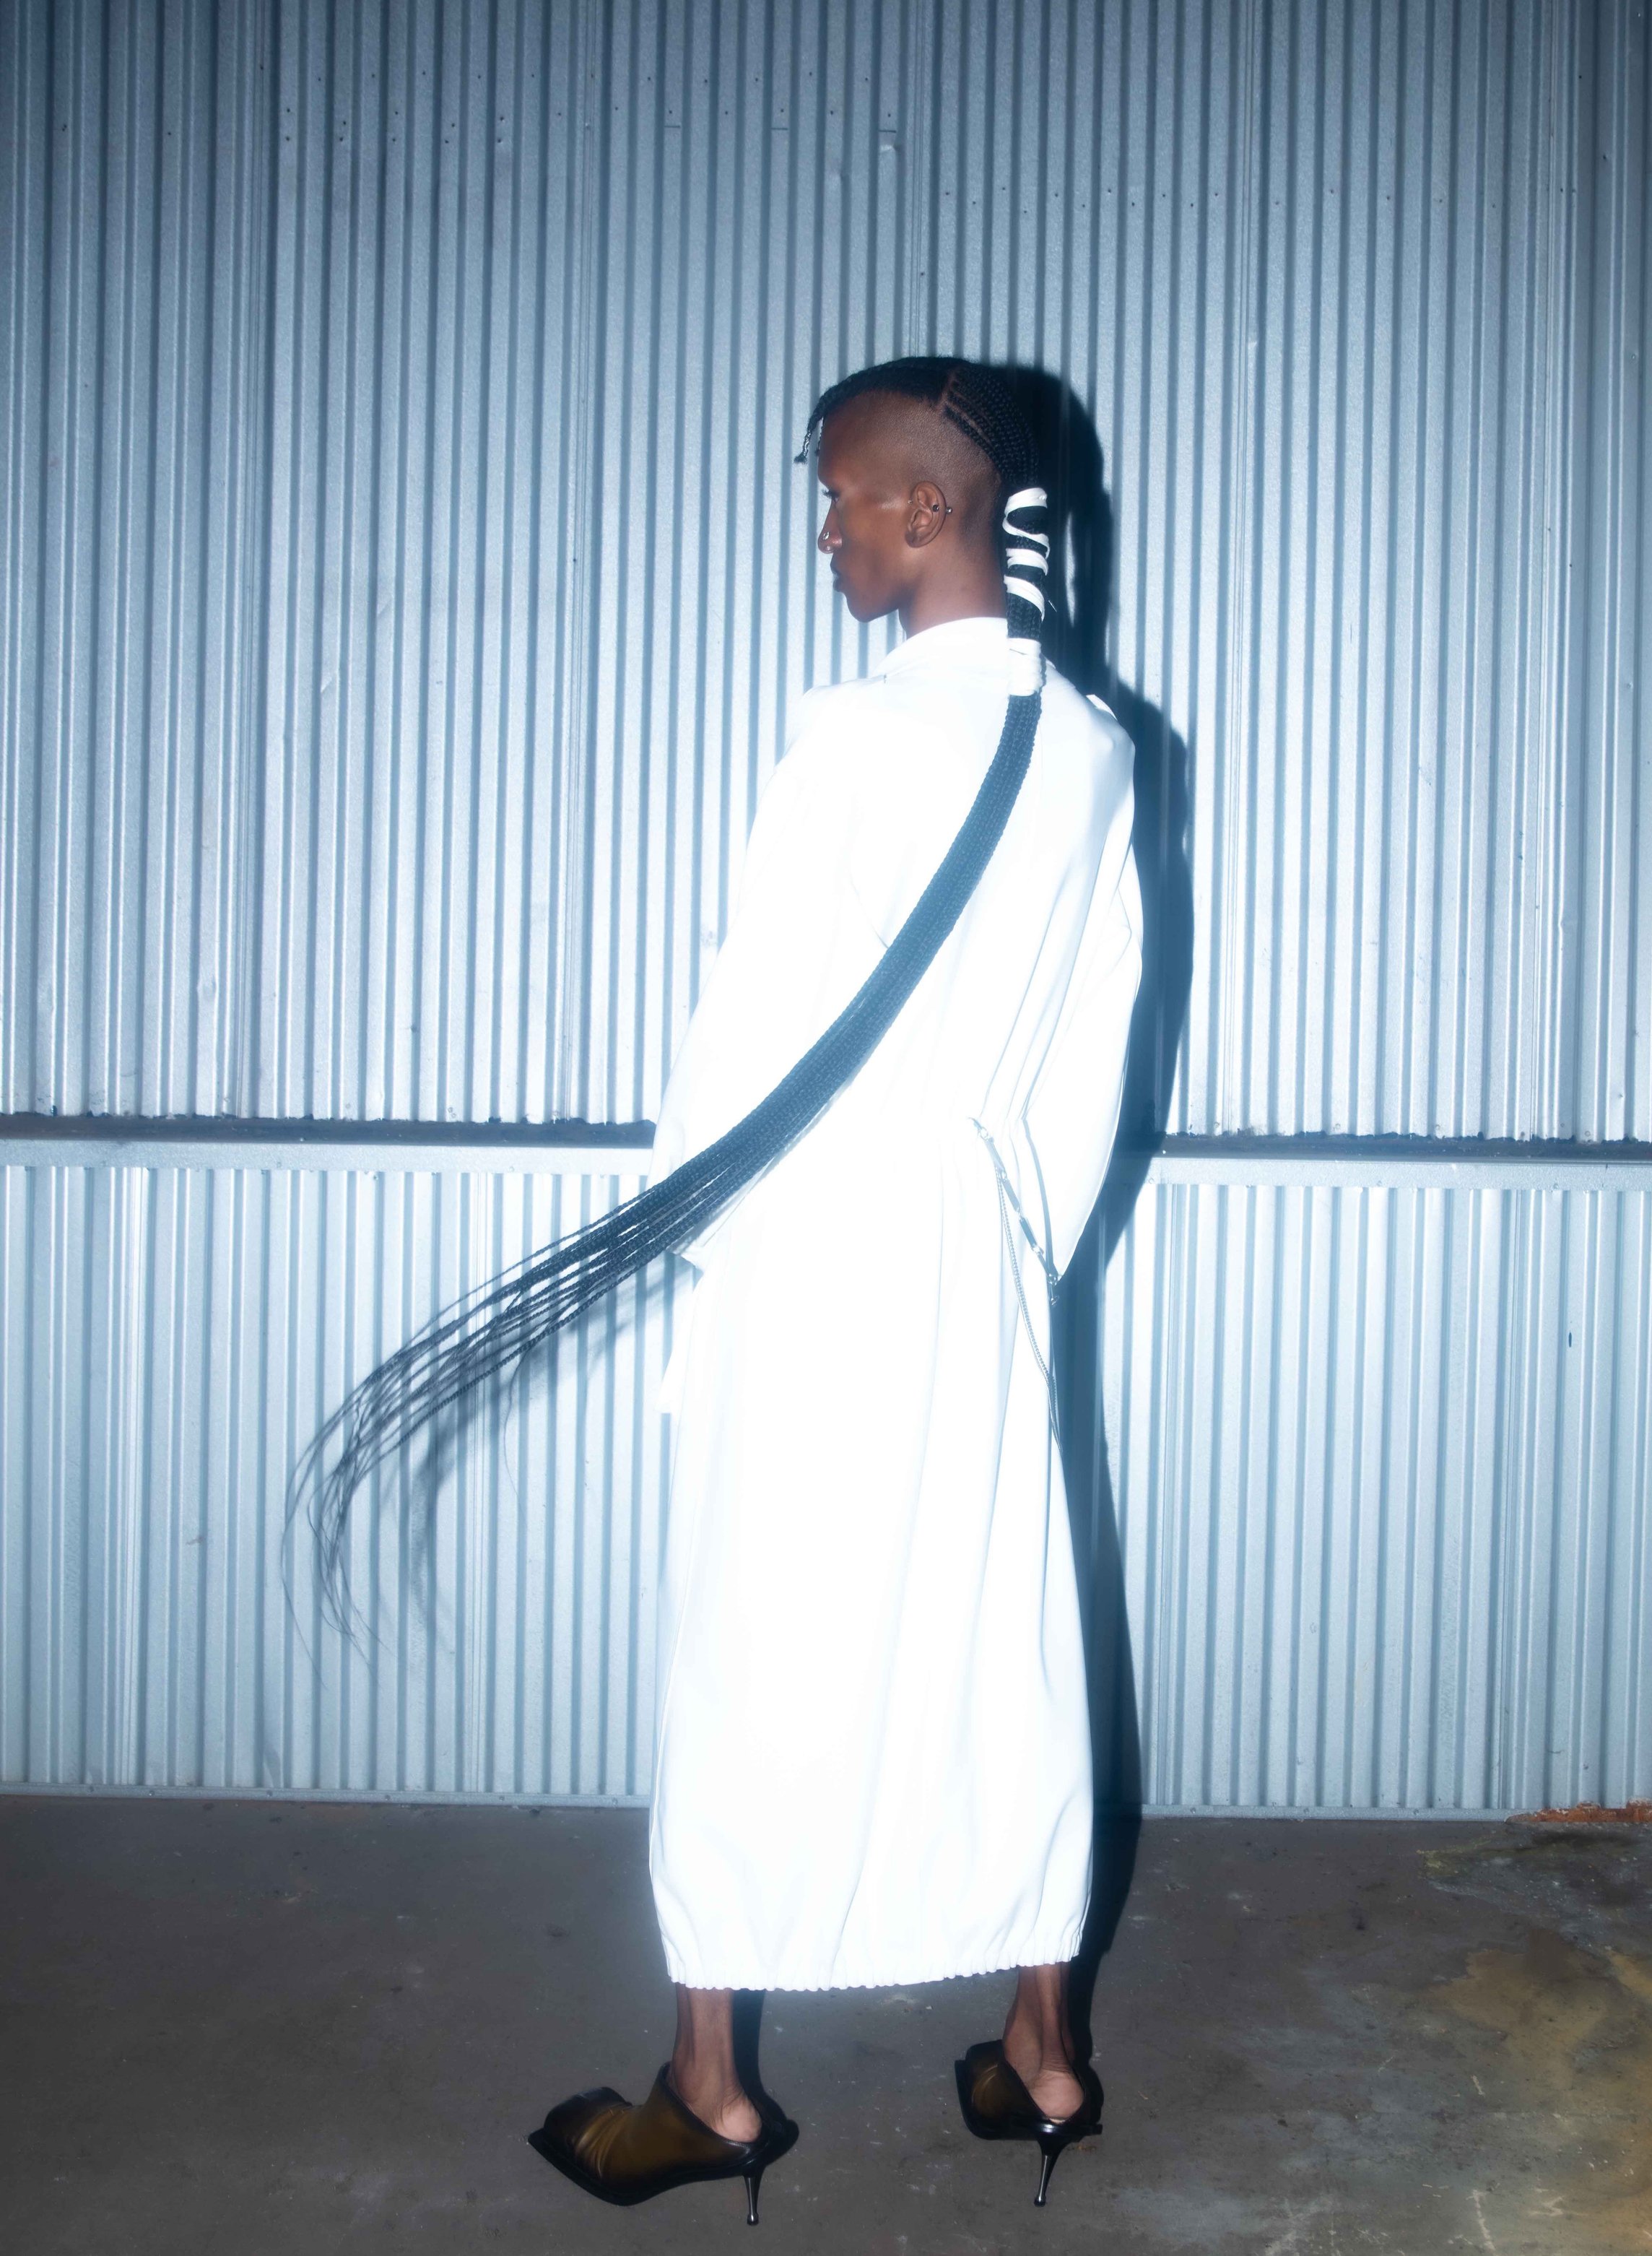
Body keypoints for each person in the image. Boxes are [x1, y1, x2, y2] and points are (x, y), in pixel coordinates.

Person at [519, 359, 1139, 2218]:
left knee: (748, 1639)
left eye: (842, 499)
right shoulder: (1098, 747)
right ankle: (1040, 2052)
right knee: (994, 1633)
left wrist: (696, 1257)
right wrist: (1022, 1244)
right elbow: (1087, 1052)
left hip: (810, 1239)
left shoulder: (855, 740)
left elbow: (743, 1032)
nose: (826, 532)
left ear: (927, 511)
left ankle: (706, 2087)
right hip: (972, 1227)